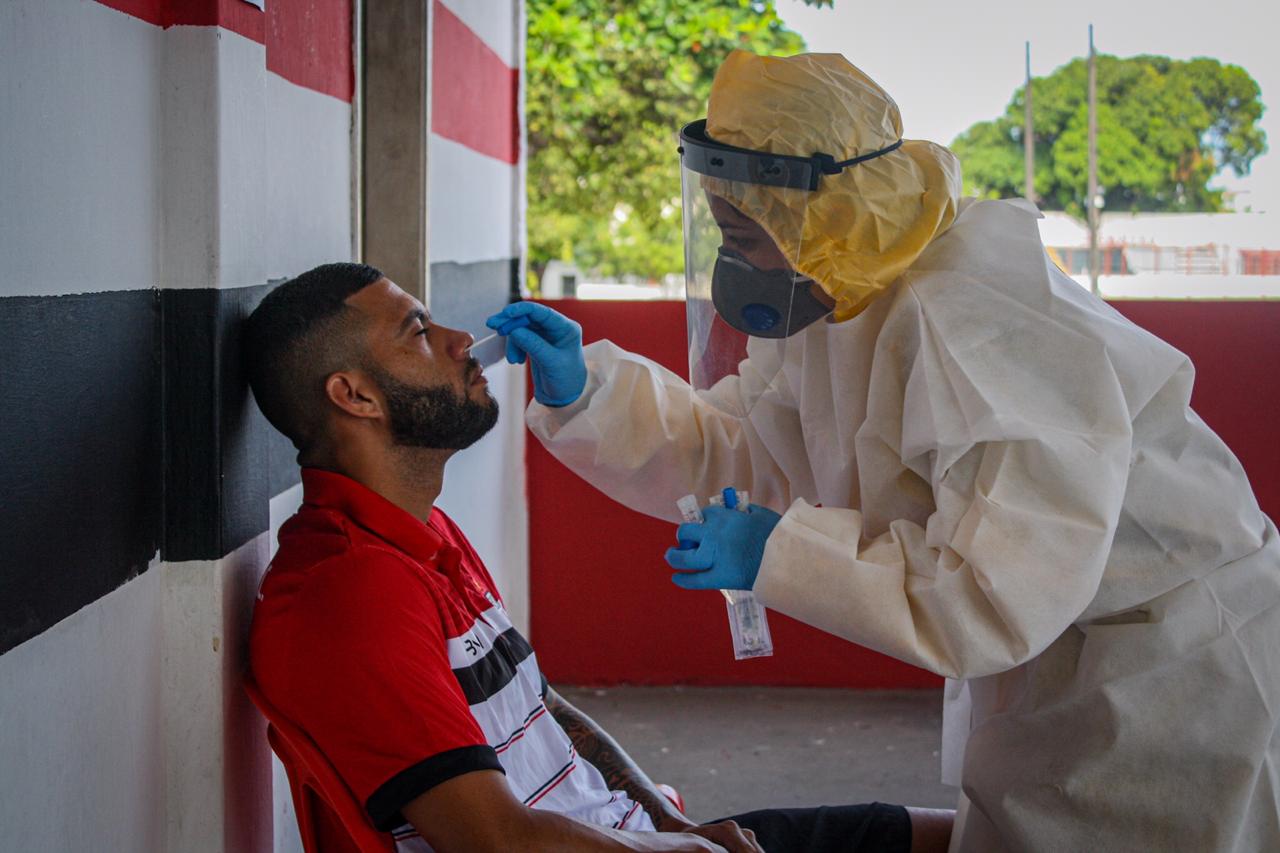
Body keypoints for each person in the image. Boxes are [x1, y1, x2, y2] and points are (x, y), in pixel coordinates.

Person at [487, 51, 1280, 852]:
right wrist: (586, 389)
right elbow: (746, 447)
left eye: (741, 234)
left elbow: (991, 590)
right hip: (1065, 657)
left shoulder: (980, 324)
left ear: (818, 213)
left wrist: (782, 552)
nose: (732, 264)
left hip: (1169, 670)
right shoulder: (843, 293)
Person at [244, 262, 953, 853]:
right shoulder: (350, 590)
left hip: (639, 837)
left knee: (954, 835)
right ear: (355, 394)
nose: (463, 340)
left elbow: (545, 708)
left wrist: (673, 824)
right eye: (420, 332)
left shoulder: (424, 539)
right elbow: (500, 842)